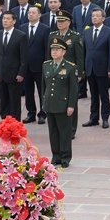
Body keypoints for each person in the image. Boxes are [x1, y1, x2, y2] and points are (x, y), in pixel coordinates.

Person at [43, 37, 79, 168]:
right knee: (53, 132)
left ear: (64, 52)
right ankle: (56, 156)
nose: (54, 52)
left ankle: (65, 157)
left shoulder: (70, 67)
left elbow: (73, 89)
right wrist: (44, 101)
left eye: (57, 49)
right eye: (52, 49)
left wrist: (71, 105)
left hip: (63, 104)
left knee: (64, 132)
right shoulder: (46, 65)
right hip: (50, 103)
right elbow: (44, 86)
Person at [0, 11, 27, 119]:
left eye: (8, 19)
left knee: (14, 100)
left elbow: (24, 57)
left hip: (14, 73)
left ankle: (15, 123)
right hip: (0, 72)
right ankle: (4, 121)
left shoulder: (20, 36)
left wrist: (21, 73)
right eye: (3, 19)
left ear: (14, 21)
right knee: (4, 99)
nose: (5, 21)